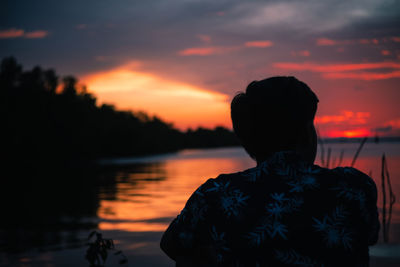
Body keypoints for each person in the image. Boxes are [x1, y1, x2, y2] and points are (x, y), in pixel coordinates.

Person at [160, 76, 379, 266]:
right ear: (306, 132)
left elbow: (171, 245)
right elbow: (370, 236)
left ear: (248, 140)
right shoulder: (353, 187)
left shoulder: (215, 195)